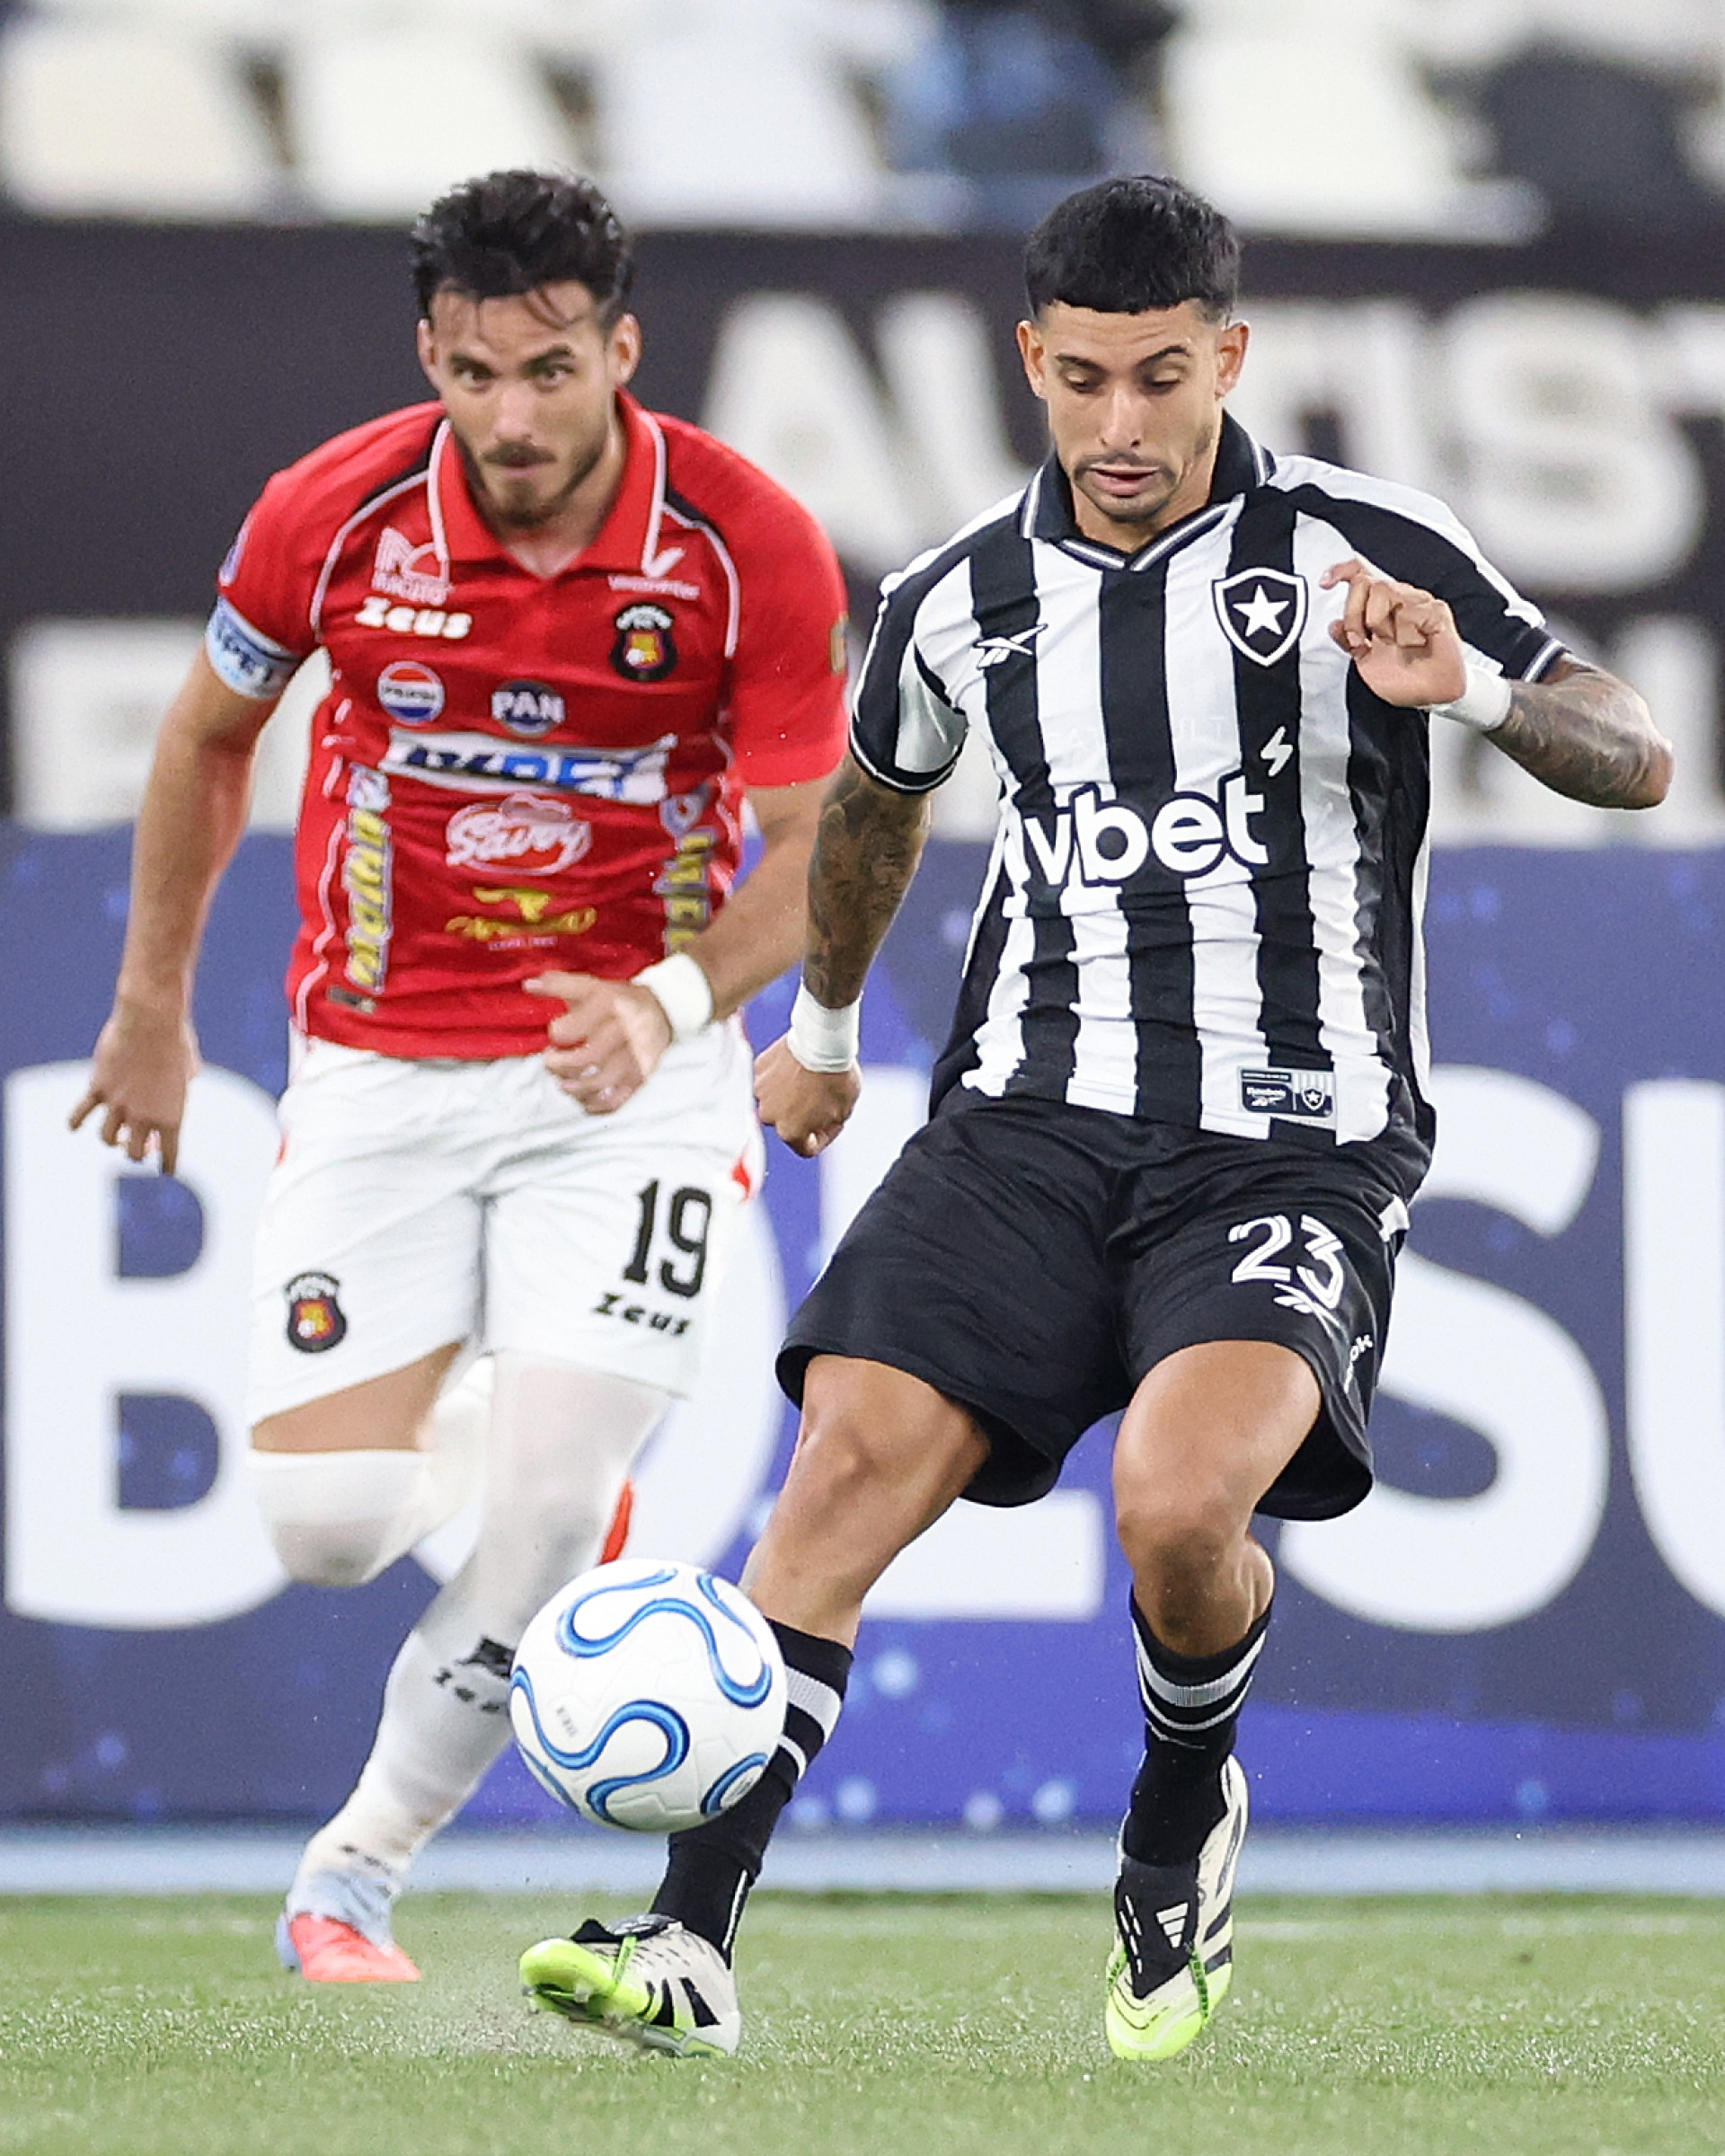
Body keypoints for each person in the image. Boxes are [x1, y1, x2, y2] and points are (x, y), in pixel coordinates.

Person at [517, 173, 1672, 2060]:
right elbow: (880, 806)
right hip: (1025, 1124)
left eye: (1160, 380)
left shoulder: (1367, 546)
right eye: (1081, 384)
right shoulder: (962, 596)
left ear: (1230, 356)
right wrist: (813, 1024)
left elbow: (1634, 748)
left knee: (1178, 1505)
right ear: (1029, 361)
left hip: (1292, 1138)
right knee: (838, 1479)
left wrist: (1462, 686)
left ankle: (1178, 1813)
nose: (1120, 430)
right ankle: (685, 1946)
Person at [70, 170, 849, 1984]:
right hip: (378, 1058)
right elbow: (205, 738)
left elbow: (830, 846)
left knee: (561, 1505)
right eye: (476, 373)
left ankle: (349, 1877)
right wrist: (149, 1010)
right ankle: (505, 1426)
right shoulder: (329, 515)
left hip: (628, 1079)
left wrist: (669, 1000)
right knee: (332, 1530)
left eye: (552, 372)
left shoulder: (747, 541)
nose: (511, 418)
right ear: (430, 350)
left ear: (622, 351)